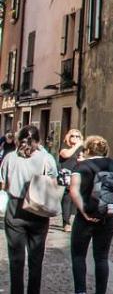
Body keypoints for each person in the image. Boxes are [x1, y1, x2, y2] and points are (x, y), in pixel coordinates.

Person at [69, 135, 113, 294]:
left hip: (85, 218)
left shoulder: (81, 166)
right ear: (105, 149)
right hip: (107, 217)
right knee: (101, 258)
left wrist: (83, 211)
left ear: (87, 150)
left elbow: (73, 191)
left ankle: (80, 291)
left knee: (78, 256)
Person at [0, 125, 57, 294]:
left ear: (19, 139)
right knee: (36, 258)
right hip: (38, 208)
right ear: (38, 141)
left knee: (16, 259)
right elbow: (53, 185)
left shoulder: (10, 158)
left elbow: (4, 185)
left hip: (15, 208)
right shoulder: (47, 158)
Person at [59, 129, 84, 233]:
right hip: (66, 175)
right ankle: (66, 223)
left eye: (78, 136)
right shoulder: (65, 146)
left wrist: (82, 159)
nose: (75, 138)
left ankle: (74, 221)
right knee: (67, 199)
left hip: (76, 174)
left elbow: (83, 158)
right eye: (73, 136)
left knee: (75, 198)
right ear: (68, 137)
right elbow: (66, 155)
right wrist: (76, 146)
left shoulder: (80, 148)